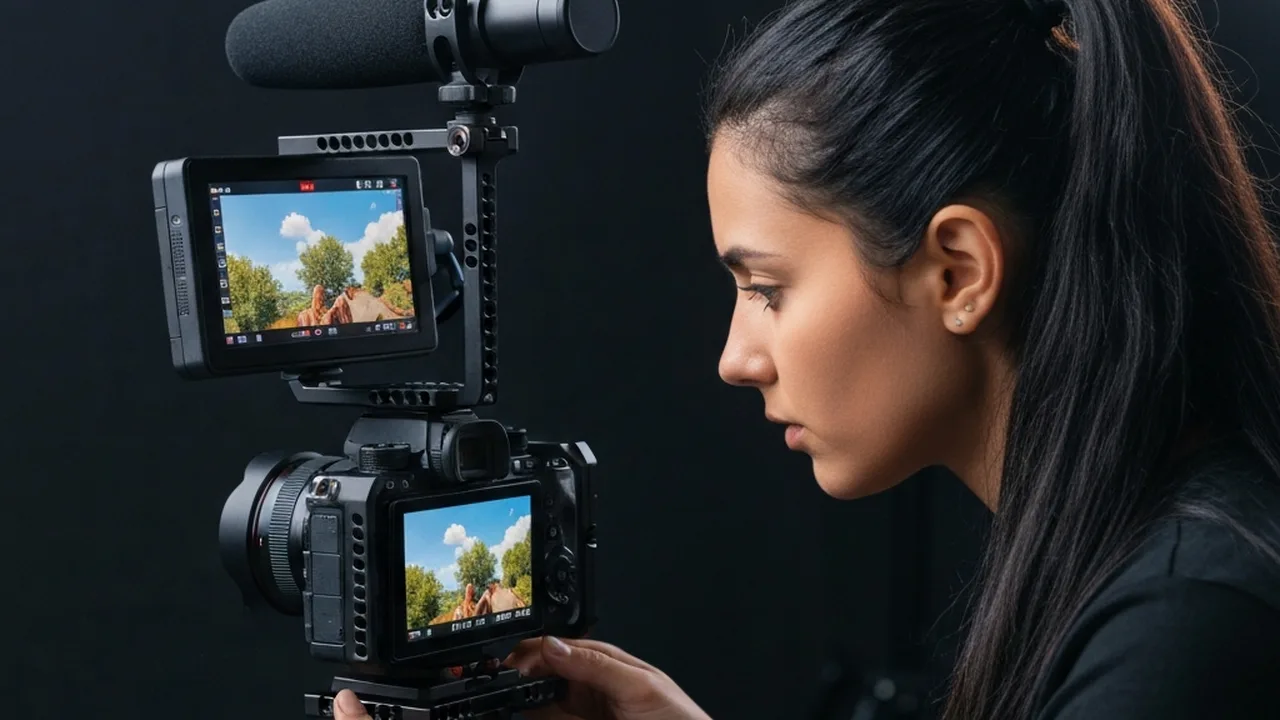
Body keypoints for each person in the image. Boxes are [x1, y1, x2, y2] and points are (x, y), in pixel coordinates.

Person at [334, 0, 1280, 718]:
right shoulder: (1144, 556)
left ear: (957, 272)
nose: (736, 359)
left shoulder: (1185, 627)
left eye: (768, 290)